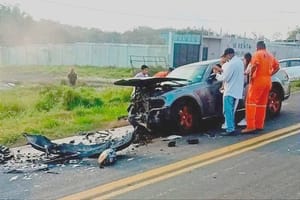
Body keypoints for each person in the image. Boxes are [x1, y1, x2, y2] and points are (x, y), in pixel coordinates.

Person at [241, 41, 279, 133]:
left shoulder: (257, 54)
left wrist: (251, 76)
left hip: (258, 80)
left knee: (251, 102)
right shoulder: (270, 55)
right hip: (267, 81)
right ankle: (259, 124)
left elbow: (255, 65)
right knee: (262, 103)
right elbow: (277, 67)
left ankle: (250, 126)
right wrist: (270, 74)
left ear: (258, 47)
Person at [213, 48, 244, 136]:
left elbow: (225, 78)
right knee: (231, 110)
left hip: (230, 90)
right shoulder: (240, 62)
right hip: (237, 90)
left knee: (228, 111)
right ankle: (231, 127)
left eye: (226, 56)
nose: (226, 59)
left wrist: (216, 74)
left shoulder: (231, 64)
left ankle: (230, 129)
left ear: (229, 55)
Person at [237, 52, 252, 127]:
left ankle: (247, 119)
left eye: (244, 59)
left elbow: (246, 73)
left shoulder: (249, 65)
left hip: (249, 85)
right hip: (248, 85)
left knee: (247, 103)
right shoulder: (249, 65)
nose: (243, 61)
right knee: (247, 102)